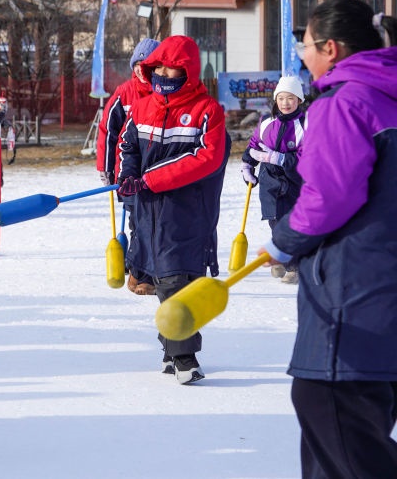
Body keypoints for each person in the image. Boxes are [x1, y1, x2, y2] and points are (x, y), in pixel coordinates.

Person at [257, 0, 397, 479]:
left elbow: (330, 195)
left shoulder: (345, 104)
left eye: (306, 45)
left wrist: (283, 241)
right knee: (332, 443)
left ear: (331, 48)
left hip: (356, 294)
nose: (302, 55)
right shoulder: (386, 96)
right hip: (380, 301)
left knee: (326, 404)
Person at [117, 35, 230, 385]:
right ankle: (171, 349)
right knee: (162, 280)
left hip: (185, 213)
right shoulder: (142, 107)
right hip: (147, 213)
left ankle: (184, 358)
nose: (164, 75)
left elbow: (207, 158)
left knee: (177, 282)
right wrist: (127, 174)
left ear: (188, 72)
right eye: (159, 68)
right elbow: (128, 145)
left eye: (172, 69)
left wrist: (151, 179)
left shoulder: (207, 110)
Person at [96, 38, 160, 296]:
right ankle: (139, 271)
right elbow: (108, 131)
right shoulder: (125, 93)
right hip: (128, 172)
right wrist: (106, 168)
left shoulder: (164, 93)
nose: (141, 71)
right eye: (137, 66)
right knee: (138, 220)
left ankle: (148, 269)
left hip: (156, 171)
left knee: (154, 221)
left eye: (147, 66)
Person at [240, 75, 306, 284]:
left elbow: (307, 156)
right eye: (281, 98)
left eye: (291, 98)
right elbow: (254, 144)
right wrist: (247, 164)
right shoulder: (266, 121)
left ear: (299, 100)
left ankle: (294, 267)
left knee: (290, 222)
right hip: (269, 179)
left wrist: (280, 158)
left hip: (293, 180)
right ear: (275, 99)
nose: (285, 103)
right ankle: (281, 257)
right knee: (274, 220)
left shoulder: (304, 124)